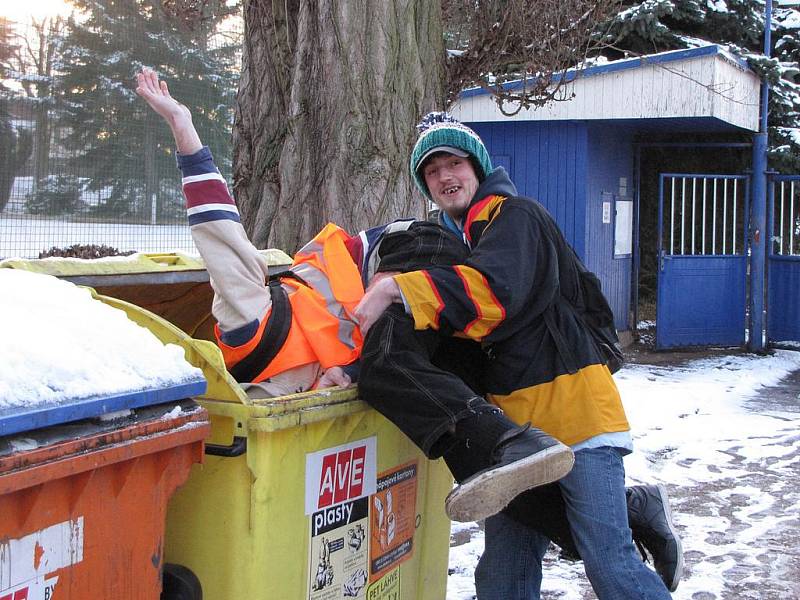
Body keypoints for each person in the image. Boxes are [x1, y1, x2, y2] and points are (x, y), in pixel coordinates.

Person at [354, 112, 681, 597]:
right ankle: (636, 507)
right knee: (503, 572)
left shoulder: (515, 216)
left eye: (454, 163)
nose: (444, 176)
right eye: (431, 171)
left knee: (609, 564)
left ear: (479, 168)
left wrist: (397, 290)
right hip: (520, 440)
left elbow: (493, 295)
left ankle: (635, 510)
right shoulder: (462, 243)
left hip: (578, 418)